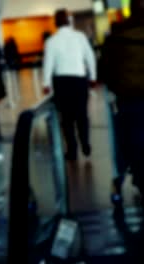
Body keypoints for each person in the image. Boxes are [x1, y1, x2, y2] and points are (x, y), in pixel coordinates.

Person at [98, 0, 144, 205]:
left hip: (128, 100)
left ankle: (139, 178)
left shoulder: (116, 37)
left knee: (134, 141)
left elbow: (104, 71)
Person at [42, 8, 97, 161]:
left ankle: (72, 151)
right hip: (79, 80)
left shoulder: (51, 41)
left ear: (55, 23)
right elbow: (90, 56)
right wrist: (92, 77)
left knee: (66, 119)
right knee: (82, 115)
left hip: (62, 83)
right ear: (69, 21)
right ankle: (85, 144)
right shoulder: (80, 37)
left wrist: (46, 84)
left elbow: (48, 64)